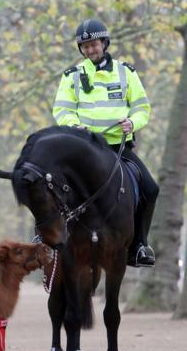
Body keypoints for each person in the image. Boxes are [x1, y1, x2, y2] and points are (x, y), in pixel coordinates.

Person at [52, 19, 159, 268]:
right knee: (50, 183)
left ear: (104, 43)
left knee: (152, 189)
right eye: (85, 47)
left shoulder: (126, 72)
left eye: (94, 44)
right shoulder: (72, 76)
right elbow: (62, 110)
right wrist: (73, 124)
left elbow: (142, 107)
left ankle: (139, 246)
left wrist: (132, 123)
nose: (90, 50)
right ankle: (48, 236)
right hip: (85, 148)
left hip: (117, 148)